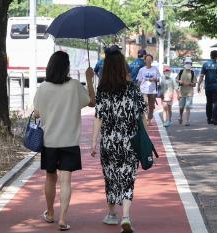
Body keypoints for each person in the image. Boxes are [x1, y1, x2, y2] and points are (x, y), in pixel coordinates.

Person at [33, 51, 96, 231]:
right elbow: (92, 102)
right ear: (67, 67)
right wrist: (89, 79)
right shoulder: (74, 86)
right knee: (66, 180)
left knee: (50, 177)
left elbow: (37, 112)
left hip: (49, 141)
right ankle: (62, 219)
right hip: (70, 141)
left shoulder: (43, 87)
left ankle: (50, 213)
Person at [90, 45, 146, 233]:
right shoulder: (133, 89)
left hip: (109, 141)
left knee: (111, 176)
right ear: (124, 67)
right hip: (130, 140)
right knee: (128, 177)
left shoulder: (103, 90)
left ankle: (112, 214)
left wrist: (93, 142)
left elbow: (98, 116)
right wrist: (143, 140)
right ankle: (126, 216)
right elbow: (142, 116)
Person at [137, 54, 161, 125]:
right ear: (144, 60)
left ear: (152, 61)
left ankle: (149, 119)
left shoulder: (155, 69)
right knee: (145, 103)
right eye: (147, 60)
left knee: (151, 106)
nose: (148, 61)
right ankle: (146, 118)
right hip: (144, 90)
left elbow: (159, 79)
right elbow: (139, 80)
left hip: (152, 90)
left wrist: (155, 79)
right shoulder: (142, 70)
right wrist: (137, 89)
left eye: (150, 60)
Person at [176, 57, 197, 126]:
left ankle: (187, 121)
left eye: (189, 63)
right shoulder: (181, 71)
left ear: (191, 64)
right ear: (184, 64)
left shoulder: (192, 72)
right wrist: (180, 81)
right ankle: (180, 116)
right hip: (182, 92)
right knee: (181, 107)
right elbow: (176, 80)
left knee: (188, 106)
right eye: (187, 63)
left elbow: (194, 83)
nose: (188, 64)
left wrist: (190, 84)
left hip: (190, 92)